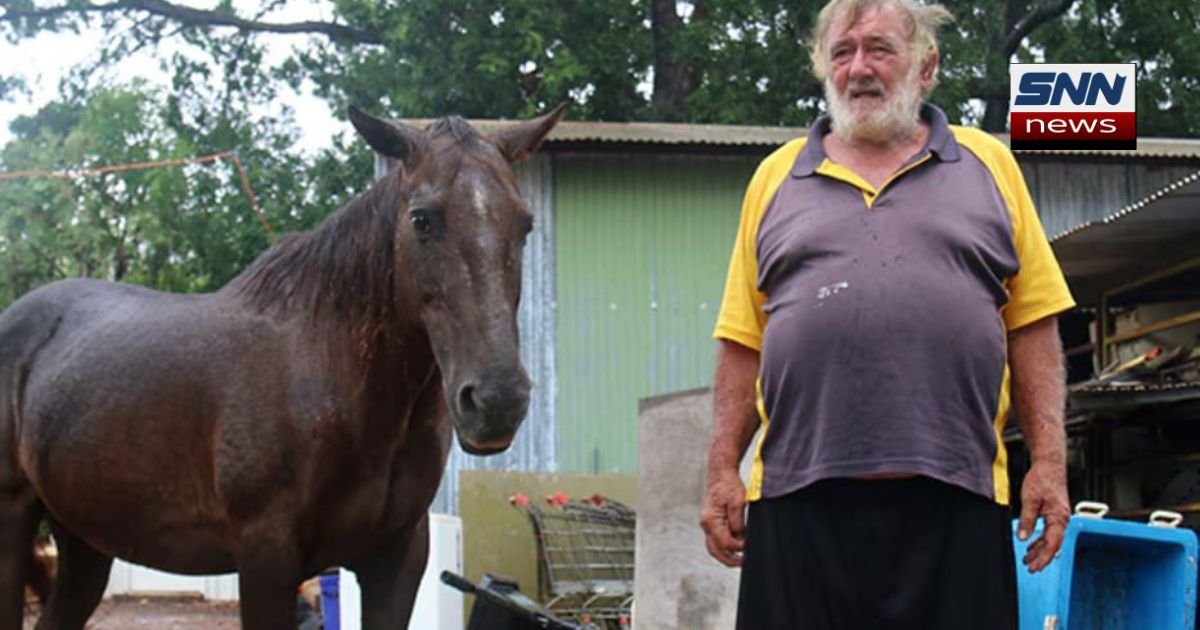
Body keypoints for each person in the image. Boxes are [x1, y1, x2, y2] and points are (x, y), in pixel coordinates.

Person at [699, 0, 1075, 628]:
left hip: (957, 498)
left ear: (926, 66)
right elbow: (743, 340)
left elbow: (1033, 323)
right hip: (797, 501)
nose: (859, 69)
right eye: (842, 53)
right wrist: (720, 471)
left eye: (879, 49)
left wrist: (1050, 465)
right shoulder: (774, 178)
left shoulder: (989, 165)